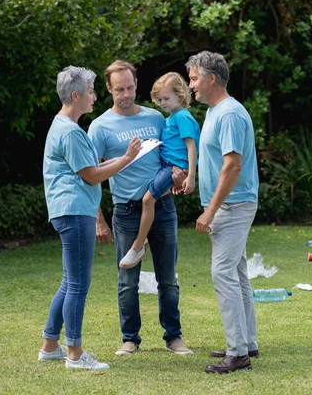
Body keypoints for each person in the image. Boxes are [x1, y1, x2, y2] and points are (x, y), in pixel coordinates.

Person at [88, 60, 193, 357]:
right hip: (126, 211)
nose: (126, 94)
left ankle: (174, 337)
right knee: (127, 280)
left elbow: (172, 156)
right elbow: (90, 174)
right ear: (109, 89)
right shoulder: (99, 127)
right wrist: (99, 220)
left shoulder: (156, 118)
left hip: (163, 206)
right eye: (119, 89)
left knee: (168, 278)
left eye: (131, 87)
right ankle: (130, 338)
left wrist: (179, 173)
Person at [39, 66, 142, 370]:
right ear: (75, 95)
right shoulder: (69, 131)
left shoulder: (64, 126)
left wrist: (126, 157)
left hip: (68, 211)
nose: (96, 97)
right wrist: (125, 159)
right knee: (78, 285)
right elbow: (92, 175)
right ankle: (74, 354)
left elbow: (90, 166)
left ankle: (50, 346)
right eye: (91, 91)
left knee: (70, 281)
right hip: (75, 212)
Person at [185, 51, 260, 374]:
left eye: (194, 78)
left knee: (223, 274)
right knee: (238, 275)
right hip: (229, 205)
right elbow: (216, 161)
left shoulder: (229, 113)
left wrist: (210, 211)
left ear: (211, 78)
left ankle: (238, 353)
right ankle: (247, 343)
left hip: (233, 206)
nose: (191, 85)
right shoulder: (217, 112)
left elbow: (233, 165)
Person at [119, 72, 200, 269]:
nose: (162, 103)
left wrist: (191, 176)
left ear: (180, 96)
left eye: (166, 98)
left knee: (148, 200)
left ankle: (137, 246)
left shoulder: (182, 117)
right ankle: (145, 237)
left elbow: (191, 146)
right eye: (160, 99)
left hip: (174, 167)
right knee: (150, 195)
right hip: (166, 166)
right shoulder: (173, 117)